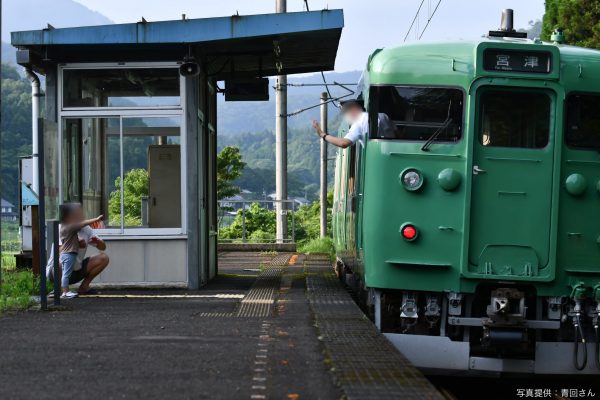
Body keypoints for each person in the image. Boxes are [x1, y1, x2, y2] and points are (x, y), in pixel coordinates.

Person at [48, 203, 109, 298]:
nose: (81, 216)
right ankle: (61, 289)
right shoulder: (62, 227)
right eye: (77, 214)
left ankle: (84, 287)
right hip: (56, 271)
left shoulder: (87, 229)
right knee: (61, 264)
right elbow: (58, 251)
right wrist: (77, 244)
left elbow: (103, 247)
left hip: (76, 270)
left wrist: (98, 241)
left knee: (103, 258)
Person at [311, 98, 395, 148]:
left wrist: (323, 135)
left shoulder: (359, 122)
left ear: (353, 110)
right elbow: (398, 133)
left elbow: (344, 143)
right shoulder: (383, 115)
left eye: (345, 112)